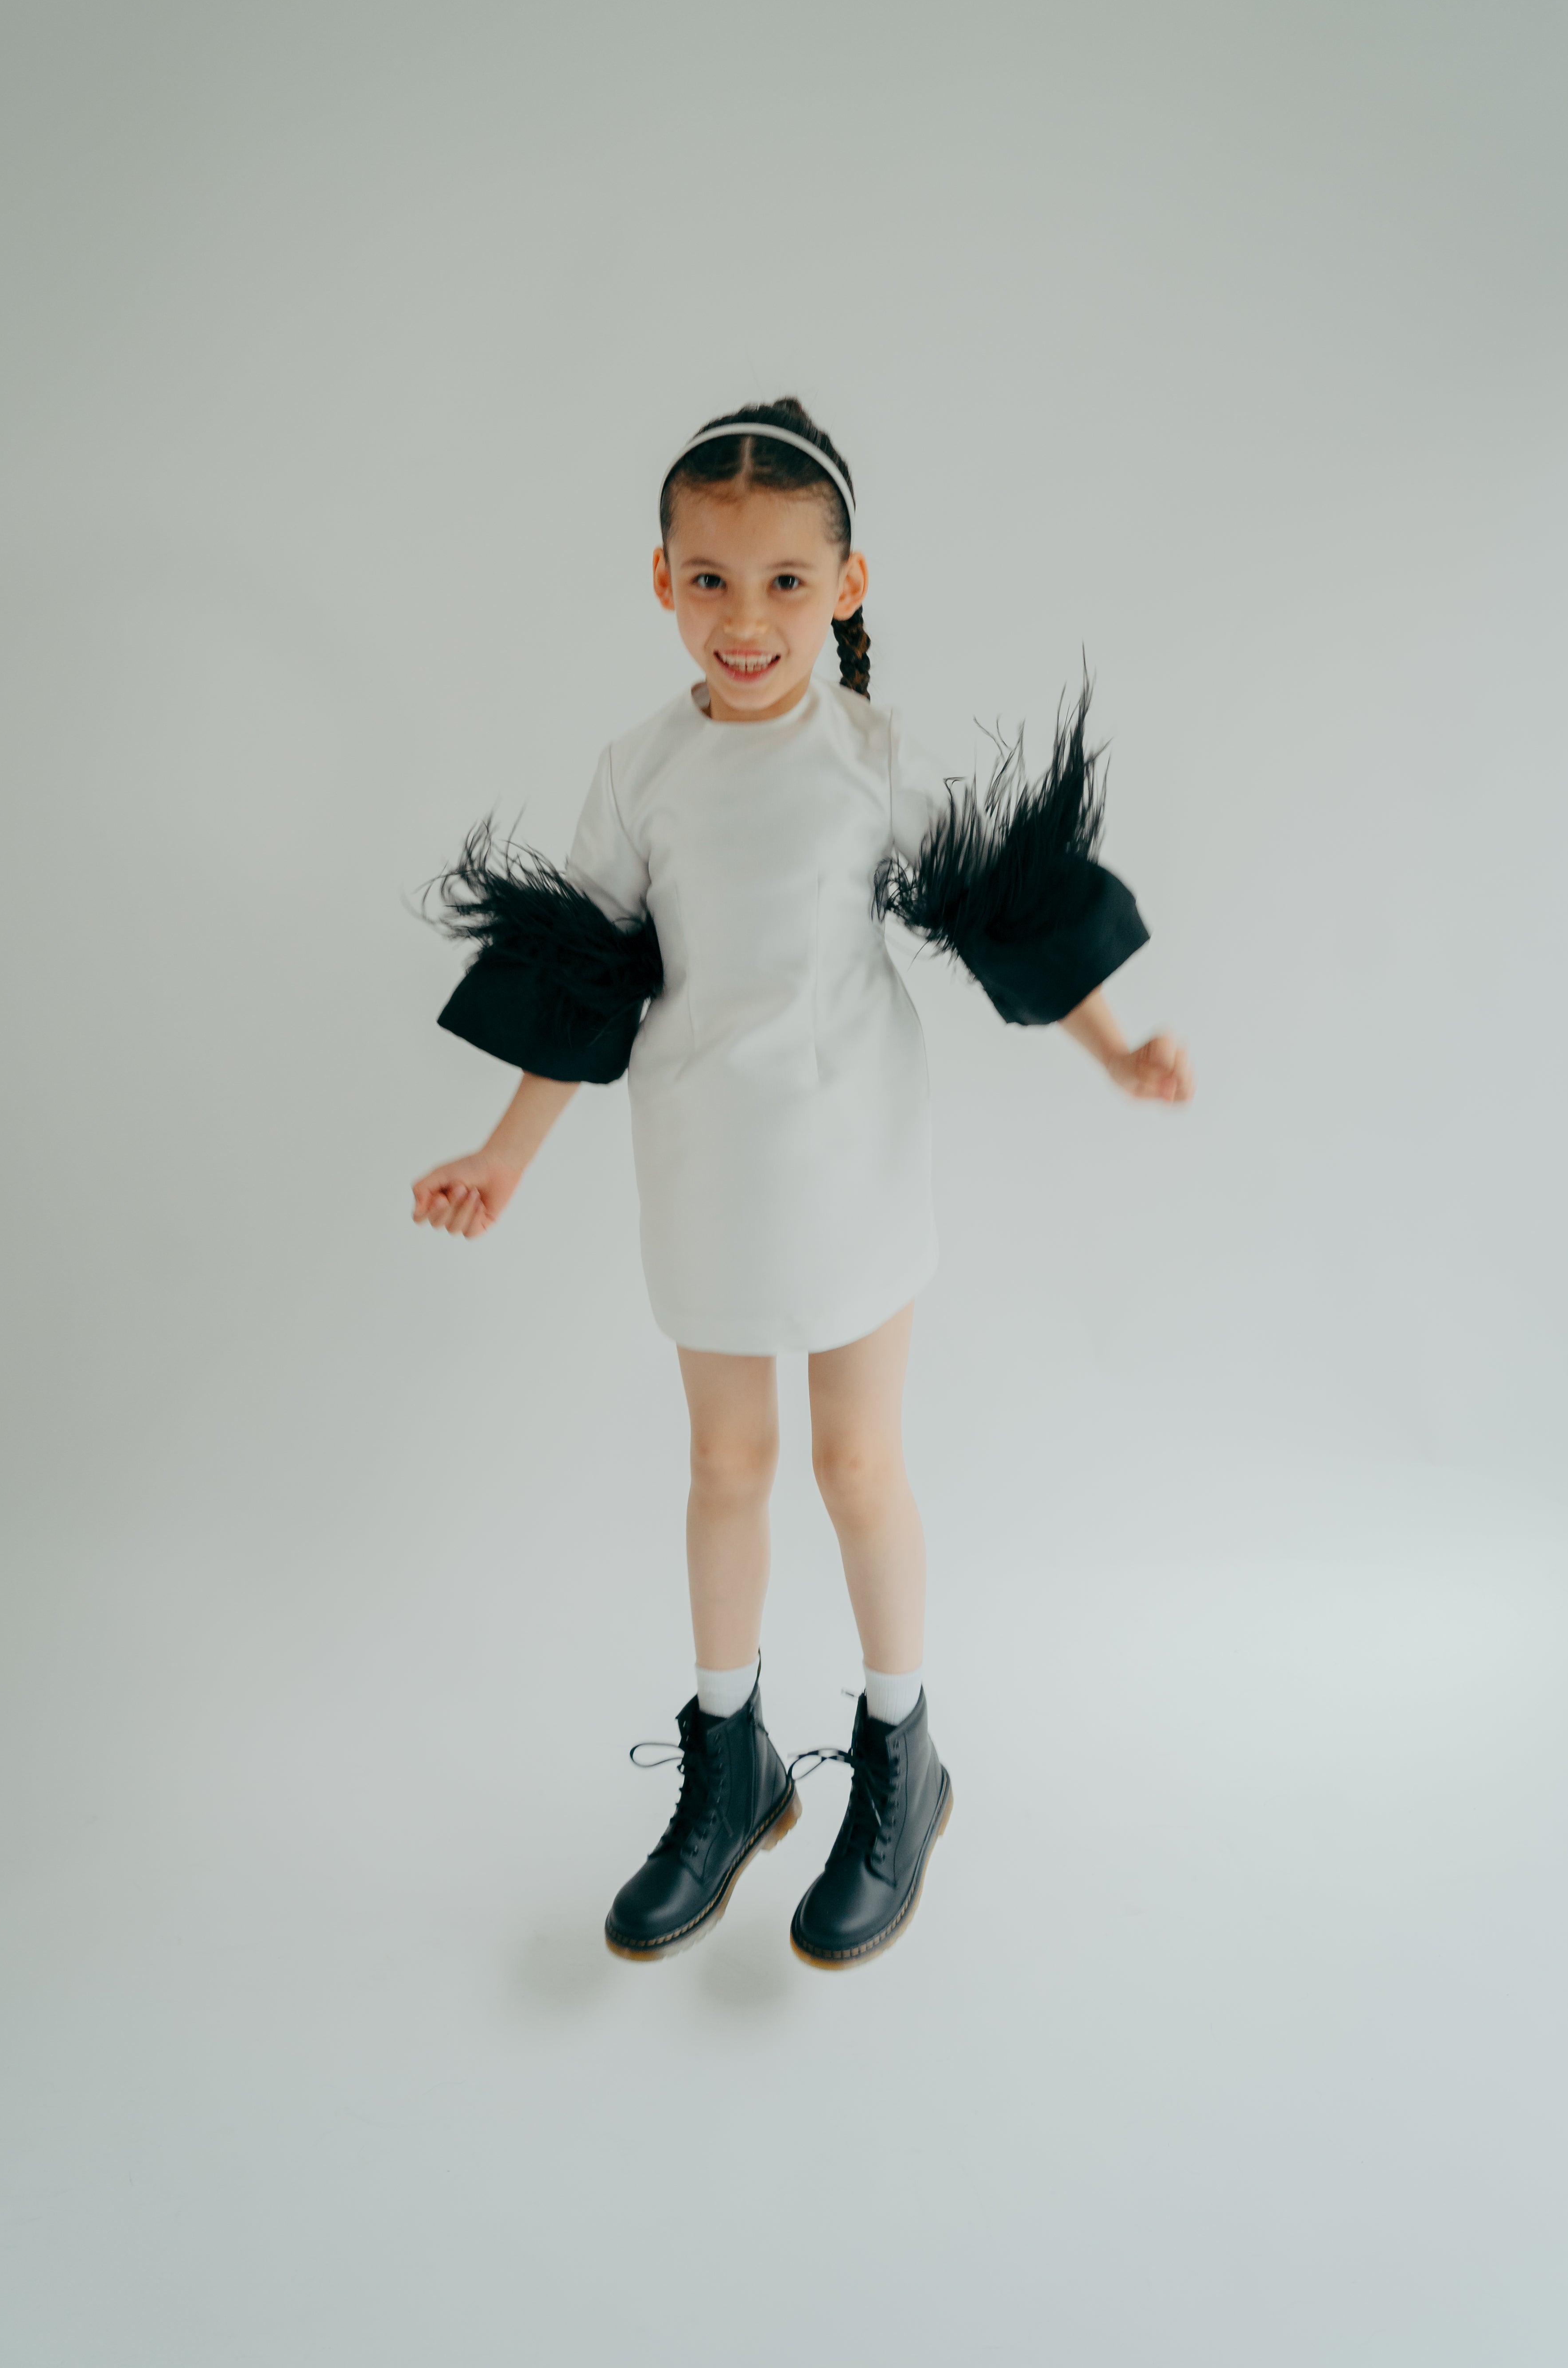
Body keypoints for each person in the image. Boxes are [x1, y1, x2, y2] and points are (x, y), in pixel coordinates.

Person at [411, 398, 1193, 1969]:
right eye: (710, 581)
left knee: (854, 1467)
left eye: (781, 583)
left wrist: (1114, 1048)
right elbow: (581, 980)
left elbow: (1005, 910)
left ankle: (902, 1757)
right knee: (723, 1465)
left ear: (843, 587)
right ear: (660, 583)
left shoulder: (869, 761)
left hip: (852, 1149)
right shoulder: (638, 774)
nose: (744, 618)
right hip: (704, 1152)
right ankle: (732, 1762)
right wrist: (503, 1153)